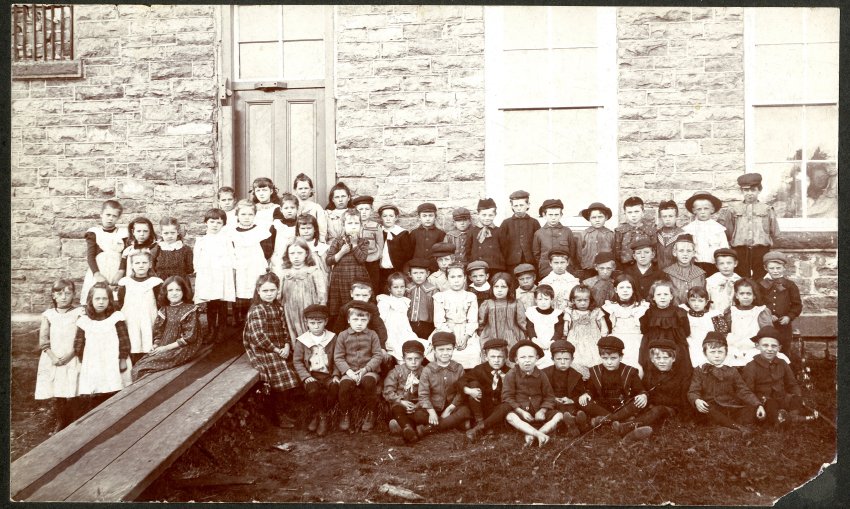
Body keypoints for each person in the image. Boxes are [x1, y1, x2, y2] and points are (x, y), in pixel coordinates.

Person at [243, 273, 300, 429]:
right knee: (281, 372)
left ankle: (288, 408)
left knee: (295, 366)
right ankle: (278, 415)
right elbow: (257, 337)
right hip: (263, 348)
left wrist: (287, 345)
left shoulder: (278, 307)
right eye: (265, 291)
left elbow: (284, 328)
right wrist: (276, 350)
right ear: (259, 291)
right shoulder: (257, 310)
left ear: (277, 291)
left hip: (279, 346)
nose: (269, 294)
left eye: (272, 290)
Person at [688, 331, 765, 437]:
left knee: (751, 411)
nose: (716, 356)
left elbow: (743, 390)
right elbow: (693, 391)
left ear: (726, 353)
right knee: (708, 410)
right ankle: (737, 428)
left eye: (720, 352)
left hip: (729, 406)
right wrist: (697, 400)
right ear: (705, 353)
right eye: (712, 352)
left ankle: (727, 429)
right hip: (711, 408)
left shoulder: (731, 370)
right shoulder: (700, 370)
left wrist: (758, 404)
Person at [613, 338, 690, 441]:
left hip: (670, 409)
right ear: (652, 360)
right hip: (652, 406)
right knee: (638, 401)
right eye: (658, 358)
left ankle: (626, 427)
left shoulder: (681, 376)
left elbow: (683, 401)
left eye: (666, 358)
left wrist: (684, 419)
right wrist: (644, 396)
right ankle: (609, 420)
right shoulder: (650, 373)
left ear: (673, 359)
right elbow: (645, 389)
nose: (661, 361)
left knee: (658, 410)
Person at [131, 276, 204, 381]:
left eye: (178, 290)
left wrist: (165, 348)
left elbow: (190, 337)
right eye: (170, 290)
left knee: (142, 368)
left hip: (182, 348)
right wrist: (156, 345)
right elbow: (158, 332)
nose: (174, 293)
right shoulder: (164, 310)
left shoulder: (189, 310)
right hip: (164, 345)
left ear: (184, 291)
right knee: (139, 364)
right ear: (165, 293)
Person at [36, 279, 84, 433]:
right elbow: (44, 340)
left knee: (73, 388)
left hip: (71, 356)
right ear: (53, 295)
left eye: (68, 293)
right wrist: (53, 357)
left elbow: (80, 338)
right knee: (57, 390)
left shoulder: (79, 313)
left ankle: (77, 421)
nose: (64, 297)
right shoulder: (48, 315)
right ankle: (61, 421)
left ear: (74, 295)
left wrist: (71, 354)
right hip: (53, 358)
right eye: (59, 293)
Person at [74, 282, 133, 409]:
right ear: (90, 300)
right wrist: (82, 362)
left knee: (113, 388)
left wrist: (122, 359)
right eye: (97, 298)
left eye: (105, 298)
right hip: (93, 363)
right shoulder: (85, 320)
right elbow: (79, 343)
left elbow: (124, 340)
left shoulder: (116, 318)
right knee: (96, 390)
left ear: (110, 300)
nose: (101, 302)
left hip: (113, 361)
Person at [742, 326, 816, 426]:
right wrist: (757, 404)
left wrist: (798, 397)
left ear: (779, 348)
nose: (769, 349)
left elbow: (792, 384)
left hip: (782, 397)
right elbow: (747, 390)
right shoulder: (751, 366)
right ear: (757, 346)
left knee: (795, 400)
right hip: (764, 400)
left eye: (773, 346)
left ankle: (790, 417)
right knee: (771, 406)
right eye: (765, 345)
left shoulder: (782, 363)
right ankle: (789, 419)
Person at [503, 340, 563, 447]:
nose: (527, 361)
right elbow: (507, 397)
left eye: (530, 357)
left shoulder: (541, 375)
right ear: (516, 360)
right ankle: (538, 434)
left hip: (538, 412)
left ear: (537, 358)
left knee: (559, 415)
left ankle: (535, 434)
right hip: (521, 414)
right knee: (510, 417)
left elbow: (549, 396)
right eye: (522, 357)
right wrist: (521, 412)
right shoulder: (511, 374)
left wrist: (543, 411)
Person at [334, 300, 383, 432]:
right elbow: (338, 357)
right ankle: (345, 414)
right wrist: (348, 372)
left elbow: (378, 355)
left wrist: (365, 370)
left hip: (368, 371)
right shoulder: (343, 336)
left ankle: (370, 413)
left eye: (363, 320)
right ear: (349, 320)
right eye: (355, 319)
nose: (359, 323)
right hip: (349, 371)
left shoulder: (372, 335)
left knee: (368, 383)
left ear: (368, 320)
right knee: (344, 387)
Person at [577, 336, 646, 430]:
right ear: (600, 357)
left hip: (623, 406)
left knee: (638, 403)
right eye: (605, 358)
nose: (609, 362)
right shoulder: (595, 371)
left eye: (613, 358)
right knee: (583, 401)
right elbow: (590, 390)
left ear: (621, 357)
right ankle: (619, 420)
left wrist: (643, 395)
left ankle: (601, 421)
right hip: (602, 407)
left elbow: (640, 390)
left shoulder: (630, 371)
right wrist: (586, 394)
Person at [413, 332, 472, 438]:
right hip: (433, 407)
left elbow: (461, 393)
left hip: (452, 407)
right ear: (434, 351)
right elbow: (423, 394)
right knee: (418, 415)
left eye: (449, 349)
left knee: (465, 411)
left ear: (453, 349)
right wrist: (431, 411)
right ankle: (452, 423)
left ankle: (429, 429)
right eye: (441, 350)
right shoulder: (428, 370)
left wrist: (449, 409)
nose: (445, 353)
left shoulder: (458, 368)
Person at [721, 173, 779, 279]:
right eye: (746, 190)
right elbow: (728, 232)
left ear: (759, 190)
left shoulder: (767, 209)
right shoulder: (733, 209)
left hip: (760, 250)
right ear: (742, 191)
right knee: (741, 278)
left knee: (761, 279)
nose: (749, 193)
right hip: (740, 250)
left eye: (753, 190)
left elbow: (774, 232)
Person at [293, 304, 338, 437]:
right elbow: (297, 361)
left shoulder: (332, 338)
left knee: (335, 387)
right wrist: (305, 376)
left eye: (319, 323)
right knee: (313, 390)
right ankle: (321, 415)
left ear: (326, 322)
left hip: (328, 375)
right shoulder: (302, 340)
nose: (316, 326)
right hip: (311, 374)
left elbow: (337, 358)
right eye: (312, 323)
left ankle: (323, 415)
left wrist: (335, 374)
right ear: (306, 323)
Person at [193, 208, 236, 343]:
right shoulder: (201, 240)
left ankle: (221, 330)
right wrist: (199, 272)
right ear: (206, 222)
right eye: (212, 222)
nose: (215, 225)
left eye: (218, 222)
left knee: (222, 303)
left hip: (222, 274)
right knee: (211, 303)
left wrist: (231, 272)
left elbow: (231, 256)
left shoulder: (226, 240)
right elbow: (197, 258)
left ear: (223, 224)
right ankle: (211, 330)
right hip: (208, 274)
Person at [325, 209, 370, 330]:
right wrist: (341, 252)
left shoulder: (363, 241)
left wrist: (355, 244)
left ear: (361, 225)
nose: (353, 227)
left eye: (356, 224)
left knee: (356, 305)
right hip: (340, 278)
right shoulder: (338, 241)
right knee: (341, 307)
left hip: (357, 277)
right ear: (344, 225)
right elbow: (329, 260)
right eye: (350, 224)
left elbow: (362, 259)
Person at [230, 199, 273, 326]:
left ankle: (257, 323)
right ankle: (241, 325)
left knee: (255, 294)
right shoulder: (231, 233)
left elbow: (267, 251)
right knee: (240, 295)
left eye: (250, 214)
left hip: (255, 267)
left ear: (255, 215)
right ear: (237, 215)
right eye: (243, 214)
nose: (247, 217)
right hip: (240, 269)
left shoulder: (261, 231)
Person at [638, 280, 692, 380]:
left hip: (675, 345)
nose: (662, 297)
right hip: (653, 344)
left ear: (671, 296)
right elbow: (644, 330)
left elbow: (686, 331)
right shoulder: (649, 313)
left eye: (666, 294)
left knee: (678, 368)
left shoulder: (679, 312)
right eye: (658, 294)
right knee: (652, 368)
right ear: (653, 297)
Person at [430, 263, 480, 369]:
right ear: (447, 279)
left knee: (474, 354)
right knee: (444, 354)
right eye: (452, 277)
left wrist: (466, 337)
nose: (456, 280)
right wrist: (453, 337)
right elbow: (439, 322)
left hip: (466, 332)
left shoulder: (470, 296)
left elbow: (473, 321)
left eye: (459, 276)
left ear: (465, 278)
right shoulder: (440, 297)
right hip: (446, 331)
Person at [723, 279, 782, 367]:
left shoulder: (760, 311)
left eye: (749, 294)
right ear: (737, 295)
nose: (745, 297)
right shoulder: (731, 311)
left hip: (754, 347)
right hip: (735, 346)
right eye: (742, 294)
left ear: (754, 296)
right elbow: (725, 331)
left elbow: (767, 333)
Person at [117, 250, 163, 364]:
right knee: (133, 344)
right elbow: (121, 303)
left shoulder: (155, 282)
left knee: (148, 344)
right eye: (137, 263)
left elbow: (160, 303)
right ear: (132, 265)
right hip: (131, 320)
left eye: (144, 262)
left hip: (148, 319)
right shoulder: (125, 282)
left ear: (150, 264)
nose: (141, 265)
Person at [276, 238, 327, 339]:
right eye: (292, 253)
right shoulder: (284, 272)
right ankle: (296, 351)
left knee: (309, 331)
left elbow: (322, 293)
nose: (296, 257)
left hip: (309, 308)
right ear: (287, 255)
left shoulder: (313, 271)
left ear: (307, 253)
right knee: (292, 330)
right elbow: (278, 293)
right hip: (290, 310)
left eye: (299, 253)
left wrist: (320, 309)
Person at [759, 251, 803, 367]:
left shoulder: (790, 285)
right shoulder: (761, 284)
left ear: (784, 268)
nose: (775, 271)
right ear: (765, 268)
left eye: (778, 268)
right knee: (767, 347)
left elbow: (797, 305)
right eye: (772, 268)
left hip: (783, 326)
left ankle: (783, 372)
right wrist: (767, 315)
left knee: (783, 348)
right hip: (766, 325)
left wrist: (789, 317)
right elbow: (758, 302)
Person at [463, 338, 512, 441]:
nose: (496, 360)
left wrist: (505, 383)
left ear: (506, 357)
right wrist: (469, 391)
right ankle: (480, 422)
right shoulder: (480, 369)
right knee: (473, 384)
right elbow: (460, 382)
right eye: (493, 357)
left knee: (507, 405)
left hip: (498, 410)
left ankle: (479, 428)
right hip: (482, 408)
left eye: (500, 357)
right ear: (486, 357)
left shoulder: (510, 372)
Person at [80, 200, 128, 305]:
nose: (110, 218)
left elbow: (125, 255)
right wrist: (97, 274)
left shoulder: (123, 233)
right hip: (99, 270)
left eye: (114, 216)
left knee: (116, 299)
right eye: (108, 215)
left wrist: (120, 272)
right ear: (101, 214)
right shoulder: (94, 233)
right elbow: (90, 256)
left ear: (118, 218)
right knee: (98, 297)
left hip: (117, 271)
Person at [601, 274, 649, 378]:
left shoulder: (642, 308)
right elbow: (607, 329)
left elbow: (646, 328)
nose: (625, 290)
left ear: (633, 289)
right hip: (616, 341)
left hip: (637, 342)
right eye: (621, 287)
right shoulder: (610, 307)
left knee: (637, 366)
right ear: (616, 290)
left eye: (628, 287)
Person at [378, 272, 429, 362]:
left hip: (404, 331)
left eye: (402, 287)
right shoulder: (385, 301)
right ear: (389, 289)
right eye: (396, 287)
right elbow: (381, 320)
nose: (399, 290)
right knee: (400, 351)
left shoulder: (404, 301)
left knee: (418, 347)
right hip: (392, 332)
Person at [542, 340, 589, 437]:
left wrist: (571, 400)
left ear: (572, 359)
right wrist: (553, 399)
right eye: (559, 359)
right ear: (552, 359)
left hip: (569, 403)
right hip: (552, 403)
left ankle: (576, 423)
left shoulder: (576, 375)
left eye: (566, 359)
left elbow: (580, 394)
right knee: (555, 412)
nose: (562, 362)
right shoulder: (544, 374)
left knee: (575, 409)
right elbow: (540, 392)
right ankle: (576, 424)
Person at [384, 340, 427, 443]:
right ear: (403, 359)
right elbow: (388, 391)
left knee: (422, 414)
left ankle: (403, 427)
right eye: (409, 359)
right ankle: (408, 428)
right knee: (397, 409)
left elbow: (429, 391)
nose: (413, 362)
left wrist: (418, 405)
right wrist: (400, 401)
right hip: (400, 404)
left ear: (422, 358)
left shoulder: (426, 372)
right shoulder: (396, 372)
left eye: (417, 358)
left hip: (418, 405)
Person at [564, 285, 609, 378]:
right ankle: (580, 379)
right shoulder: (570, 312)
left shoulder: (596, 312)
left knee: (594, 358)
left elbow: (603, 326)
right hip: (576, 340)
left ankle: (593, 380)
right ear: (573, 301)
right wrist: (565, 334)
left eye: (585, 300)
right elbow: (566, 327)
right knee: (576, 359)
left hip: (593, 340)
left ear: (590, 300)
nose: (583, 303)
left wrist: (604, 336)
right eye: (579, 300)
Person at [477, 272, 527, 353]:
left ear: (509, 288)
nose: (499, 290)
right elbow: (481, 323)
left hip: (512, 338)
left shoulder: (516, 304)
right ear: (492, 288)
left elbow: (522, 323)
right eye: (496, 287)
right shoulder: (487, 304)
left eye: (503, 287)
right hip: (491, 337)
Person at [682, 191, 729, 276]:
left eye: (706, 208)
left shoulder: (718, 229)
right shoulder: (688, 229)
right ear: (694, 211)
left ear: (712, 209)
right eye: (699, 209)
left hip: (714, 266)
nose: (702, 212)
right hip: (695, 265)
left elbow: (724, 249)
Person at [682, 286, 727, 368]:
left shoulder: (713, 316)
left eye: (700, 301)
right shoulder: (685, 315)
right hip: (691, 346)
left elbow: (721, 334)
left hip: (709, 346)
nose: (696, 304)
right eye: (693, 300)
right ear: (688, 301)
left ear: (706, 302)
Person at [533, 199, 577, 279]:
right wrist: (543, 265)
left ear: (561, 215)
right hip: (546, 270)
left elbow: (572, 252)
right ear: (544, 215)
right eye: (550, 215)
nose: (553, 218)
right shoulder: (539, 233)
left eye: (556, 215)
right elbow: (536, 254)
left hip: (565, 270)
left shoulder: (567, 231)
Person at [525, 284, 565, 370]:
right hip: (536, 342)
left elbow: (558, 331)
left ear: (552, 300)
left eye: (546, 299)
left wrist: (552, 342)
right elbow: (530, 328)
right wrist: (535, 340)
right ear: (535, 300)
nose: (543, 302)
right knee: (535, 361)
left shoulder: (557, 314)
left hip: (551, 343)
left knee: (550, 363)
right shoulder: (531, 312)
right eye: (540, 299)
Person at [500, 190, 540, 274]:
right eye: (516, 205)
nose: (518, 208)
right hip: (511, 263)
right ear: (512, 206)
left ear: (528, 205)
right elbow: (502, 245)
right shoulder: (506, 223)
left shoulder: (534, 223)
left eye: (521, 205)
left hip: (530, 262)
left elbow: (538, 243)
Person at [613, 196, 657, 270]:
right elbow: (617, 254)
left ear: (643, 212)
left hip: (646, 267)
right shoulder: (620, 231)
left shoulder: (651, 230)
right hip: (625, 267)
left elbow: (655, 252)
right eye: (629, 212)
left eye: (636, 211)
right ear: (625, 214)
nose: (633, 215)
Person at [662, 233, 706, 306]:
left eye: (688, 251)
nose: (685, 254)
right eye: (681, 251)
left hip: (695, 311)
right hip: (675, 311)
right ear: (675, 252)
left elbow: (703, 295)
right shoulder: (668, 272)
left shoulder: (700, 273)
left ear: (693, 253)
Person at [377, 203, 412, 292]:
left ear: (396, 217)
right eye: (385, 216)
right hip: (380, 271)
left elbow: (408, 255)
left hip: (396, 271)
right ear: (381, 218)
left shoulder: (402, 234)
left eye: (391, 216)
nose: (388, 219)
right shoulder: (378, 232)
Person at [352, 195, 383, 293]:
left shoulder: (376, 226)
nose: (364, 212)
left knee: (372, 285)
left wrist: (378, 258)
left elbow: (380, 244)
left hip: (372, 262)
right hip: (357, 261)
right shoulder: (353, 225)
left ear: (371, 210)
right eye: (360, 209)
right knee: (358, 285)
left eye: (367, 209)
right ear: (356, 211)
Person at [577, 202, 615, 281]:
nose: (597, 220)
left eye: (600, 217)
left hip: (605, 270)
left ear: (606, 217)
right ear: (589, 218)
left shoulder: (610, 235)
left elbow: (614, 252)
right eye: (594, 217)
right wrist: (585, 263)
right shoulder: (584, 234)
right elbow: (579, 254)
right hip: (588, 269)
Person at [467, 197, 506, 273]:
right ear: (478, 214)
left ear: (495, 215)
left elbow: (505, 250)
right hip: (478, 268)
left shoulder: (499, 231)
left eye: (490, 215)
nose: (487, 218)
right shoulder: (472, 231)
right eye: (484, 215)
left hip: (495, 268)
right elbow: (468, 251)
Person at [154, 217, 193, 284]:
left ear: (177, 232)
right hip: (162, 284)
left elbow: (189, 269)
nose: (169, 236)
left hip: (181, 283)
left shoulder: (185, 249)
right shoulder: (157, 249)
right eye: (166, 233)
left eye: (172, 233)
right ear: (161, 233)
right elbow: (152, 268)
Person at [119, 216, 159, 282]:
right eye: (138, 231)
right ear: (133, 232)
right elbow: (123, 269)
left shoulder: (154, 248)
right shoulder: (128, 250)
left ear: (150, 232)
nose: (142, 234)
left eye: (145, 231)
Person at [409, 202, 446, 272]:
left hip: (434, 267)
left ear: (435, 217)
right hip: (418, 267)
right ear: (419, 217)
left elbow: (442, 253)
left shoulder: (441, 233)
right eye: (424, 216)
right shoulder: (414, 233)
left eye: (430, 215)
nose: (428, 219)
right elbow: (410, 252)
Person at [292, 173, 329, 243]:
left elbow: (322, 229)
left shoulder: (316, 208)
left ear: (311, 190)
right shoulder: (291, 207)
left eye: (306, 188)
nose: (303, 191)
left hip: (312, 241)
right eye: (300, 188)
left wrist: (321, 240)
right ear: (295, 190)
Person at [406, 258, 437, 340]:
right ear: (409, 274)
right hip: (409, 324)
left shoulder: (433, 290)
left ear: (427, 274)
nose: (418, 276)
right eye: (415, 273)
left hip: (427, 325)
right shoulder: (407, 289)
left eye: (422, 273)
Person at [705, 248, 742, 313]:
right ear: (716, 265)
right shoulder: (711, 281)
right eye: (721, 263)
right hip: (715, 314)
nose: (725, 266)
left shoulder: (740, 280)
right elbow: (706, 300)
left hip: (735, 315)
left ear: (735, 263)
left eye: (729, 263)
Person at [296, 213, 331, 277]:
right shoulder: (295, 247)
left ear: (315, 229)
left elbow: (326, 270)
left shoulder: (322, 248)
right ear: (298, 230)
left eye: (309, 228)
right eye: (303, 228)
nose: (306, 231)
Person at [655, 199, 685, 271]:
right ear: (660, 218)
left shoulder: (682, 235)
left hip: (677, 272)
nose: (668, 219)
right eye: (665, 216)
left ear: (676, 216)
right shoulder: (657, 234)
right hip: (659, 271)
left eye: (670, 216)